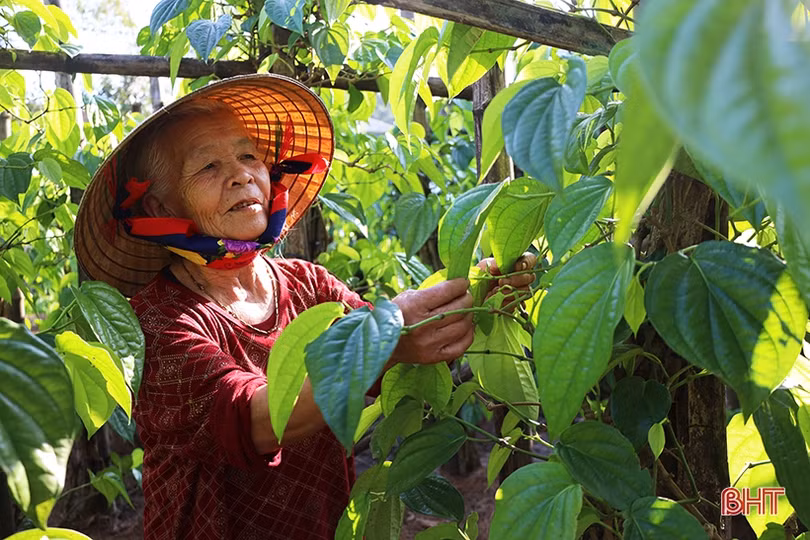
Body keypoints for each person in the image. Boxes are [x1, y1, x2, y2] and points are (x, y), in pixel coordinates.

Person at [74, 74, 534, 539]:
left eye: (248, 156)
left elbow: (405, 345)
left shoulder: (309, 285)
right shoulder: (157, 321)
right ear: (159, 207)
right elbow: (264, 419)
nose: (242, 175)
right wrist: (386, 337)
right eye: (208, 166)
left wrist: (483, 291)